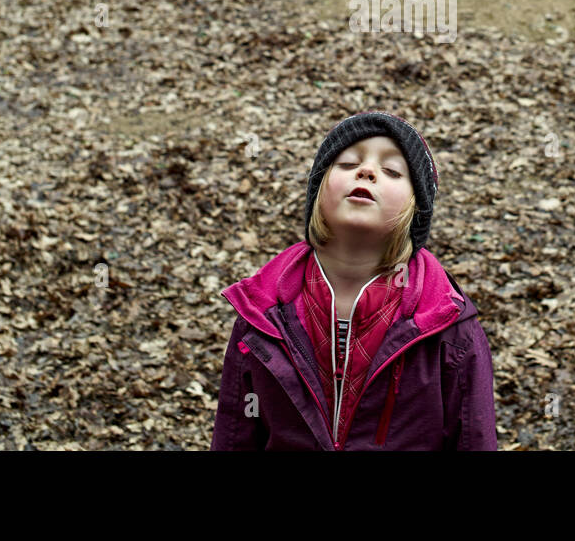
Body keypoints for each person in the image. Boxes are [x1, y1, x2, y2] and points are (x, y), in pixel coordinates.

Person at [210, 110, 497, 450]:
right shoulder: (262, 311)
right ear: (319, 192)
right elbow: (235, 434)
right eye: (347, 164)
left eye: (391, 171)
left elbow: (473, 439)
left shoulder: (446, 323)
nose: (366, 171)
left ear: (413, 209)